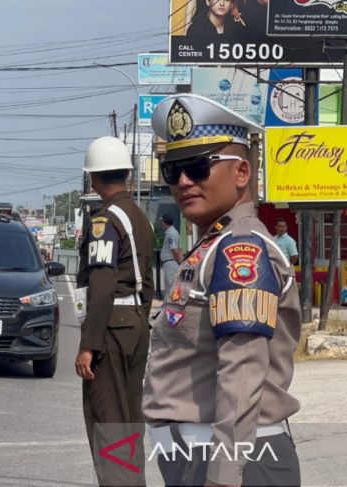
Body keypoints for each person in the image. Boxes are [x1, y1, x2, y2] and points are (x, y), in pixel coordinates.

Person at [145, 93, 301, 486]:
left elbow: (243, 370)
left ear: (242, 173)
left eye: (199, 166)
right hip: (197, 457)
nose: (183, 181)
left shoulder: (239, 249)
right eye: (173, 169)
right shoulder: (212, 245)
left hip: (232, 463)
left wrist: (223, 475)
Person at [75, 136, 154, 486]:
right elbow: (147, 281)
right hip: (135, 322)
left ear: (93, 178)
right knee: (128, 415)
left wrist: (88, 344)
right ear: (127, 174)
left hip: (111, 328)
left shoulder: (104, 221)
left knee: (107, 419)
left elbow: (102, 284)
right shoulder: (140, 217)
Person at [160, 214, 183, 295]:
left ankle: (169, 306)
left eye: (162, 221)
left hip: (170, 263)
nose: (161, 223)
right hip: (173, 262)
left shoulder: (170, 234)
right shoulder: (175, 232)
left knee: (170, 286)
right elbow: (180, 249)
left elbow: (175, 250)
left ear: (165, 222)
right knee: (172, 285)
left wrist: (180, 262)